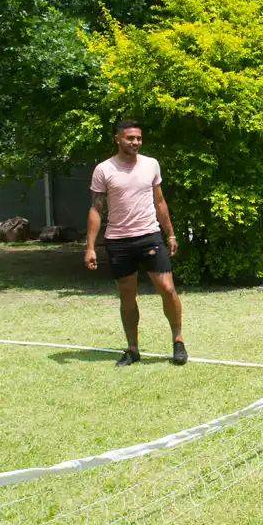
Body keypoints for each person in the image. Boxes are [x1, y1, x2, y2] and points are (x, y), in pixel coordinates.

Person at [85, 119, 187, 366]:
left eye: (138, 138)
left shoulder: (151, 165)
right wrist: (89, 247)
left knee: (167, 289)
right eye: (130, 138)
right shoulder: (104, 170)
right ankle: (132, 349)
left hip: (149, 235)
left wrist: (170, 233)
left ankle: (178, 341)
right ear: (118, 139)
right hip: (118, 241)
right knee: (127, 296)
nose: (135, 142)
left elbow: (160, 202)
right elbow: (96, 209)